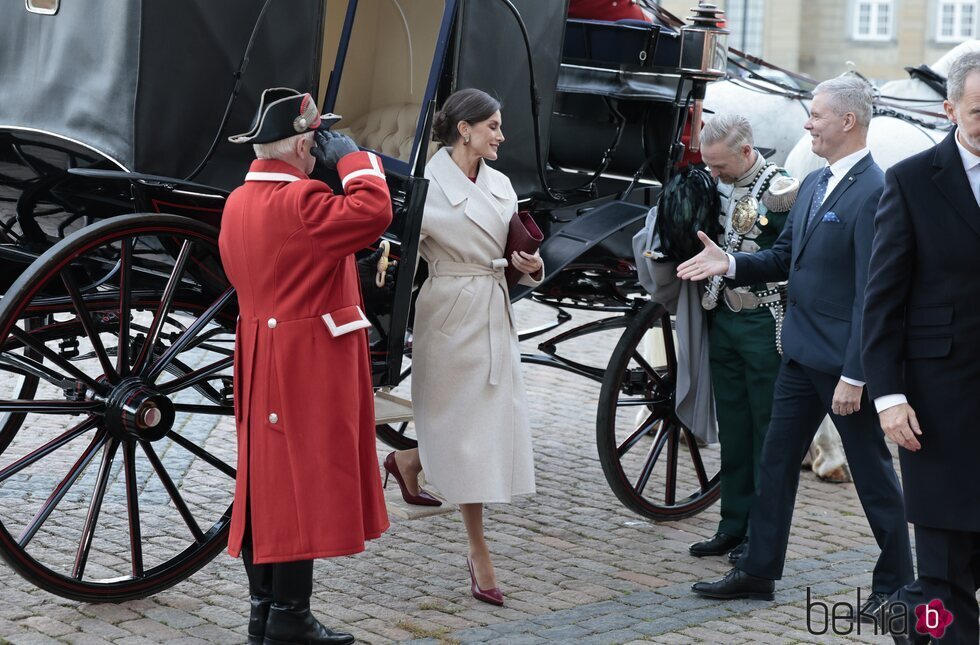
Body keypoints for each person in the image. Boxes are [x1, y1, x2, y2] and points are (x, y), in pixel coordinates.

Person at [678, 75, 913, 614]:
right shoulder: (811, 183)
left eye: (817, 114)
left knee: (874, 474)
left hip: (841, 368)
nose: (808, 123)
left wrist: (857, 375)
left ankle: (897, 585)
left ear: (847, 122)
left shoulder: (876, 191)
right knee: (776, 463)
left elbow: (872, 295)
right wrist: (731, 263)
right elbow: (784, 259)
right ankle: (758, 569)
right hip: (800, 354)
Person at [219, 88, 392, 645]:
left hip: (260, 355)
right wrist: (353, 159)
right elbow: (374, 210)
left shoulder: (238, 201)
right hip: (305, 363)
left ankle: (265, 613)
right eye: (315, 141)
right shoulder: (302, 201)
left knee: (263, 491)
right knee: (299, 490)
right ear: (299, 144)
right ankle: (288, 619)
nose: (318, 151)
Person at [383, 88, 543, 606]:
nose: (501, 135)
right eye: (493, 126)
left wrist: (529, 266)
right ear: (465, 130)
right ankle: (478, 552)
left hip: (495, 310)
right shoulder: (425, 186)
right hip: (449, 312)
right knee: (464, 432)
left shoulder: (500, 184)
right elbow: (396, 254)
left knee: (484, 429)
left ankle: (410, 460)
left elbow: (512, 252)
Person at [863, 51, 980, 645]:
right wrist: (887, 394)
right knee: (941, 571)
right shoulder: (910, 181)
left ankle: (912, 624)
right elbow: (881, 301)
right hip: (937, 407)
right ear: (950, 108)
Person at [687, 114, 796, 564]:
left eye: (720, 166)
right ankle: (732, 526)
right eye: (709, 166)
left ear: (746, 152)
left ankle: (760, 534)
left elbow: (787, 258)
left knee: (765, 433)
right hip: (726, 316)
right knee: (733, 430)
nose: (714, 174)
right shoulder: (722, 184)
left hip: (762, 321)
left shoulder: (783, 189)